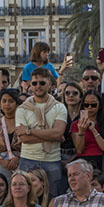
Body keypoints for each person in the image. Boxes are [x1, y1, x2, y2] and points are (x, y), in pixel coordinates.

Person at [16, 67, 68, 197]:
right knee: (25, 200)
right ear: (30, 85)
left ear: (50, 84)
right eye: (34, 83)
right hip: (28, 159)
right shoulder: (22, 109)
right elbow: (24, 139)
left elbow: (58, 133)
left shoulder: (59, 107)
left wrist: (29, 130)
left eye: (42, 83)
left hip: (52, 160)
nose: (38, 86)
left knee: (52, 199)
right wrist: (51, 136)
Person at [71, 89, 104, 174]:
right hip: (83, 161)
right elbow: (79, 150)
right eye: (86, 105)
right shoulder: (75, 125)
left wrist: (94, 130)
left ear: (99, 106)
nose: (90, 107)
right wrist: (81, 132)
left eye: (93, 105)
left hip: (101, 160)